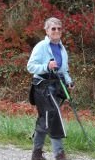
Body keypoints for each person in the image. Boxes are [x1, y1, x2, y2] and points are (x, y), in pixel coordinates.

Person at [27, 17, 75, 160]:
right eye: (53, 28)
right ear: (47, 30)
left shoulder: (61, 48)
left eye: (59, 28)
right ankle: (59, 155)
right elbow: (30, 66)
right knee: (54, 116)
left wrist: (69, 82)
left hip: (55, 87)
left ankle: (36, 154)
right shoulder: (41, 46)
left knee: (45, 118)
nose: (56, 31)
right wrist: (46, 67)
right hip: (41, 87)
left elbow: (64, 70)